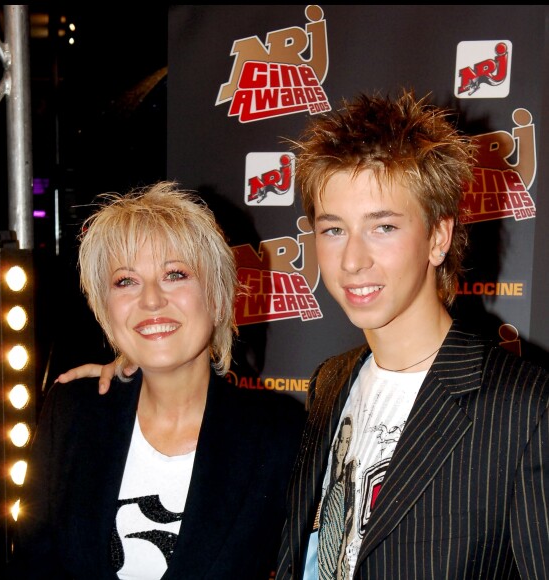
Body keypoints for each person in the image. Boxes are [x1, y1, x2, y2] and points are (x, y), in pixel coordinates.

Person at [58, 90, 549, 580]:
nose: (353, 260)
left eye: (382, 227)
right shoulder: (330, 385)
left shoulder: (525, 408)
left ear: (439, 237)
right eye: (333, 230)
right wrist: (140, 363)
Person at [8, 181, 306, 580]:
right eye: (125, 281)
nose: (150, 300)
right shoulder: (73, 412)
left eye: (175, 274)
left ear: (218, 298)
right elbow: (30, 565)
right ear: (104, 307)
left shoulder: (282, 436)